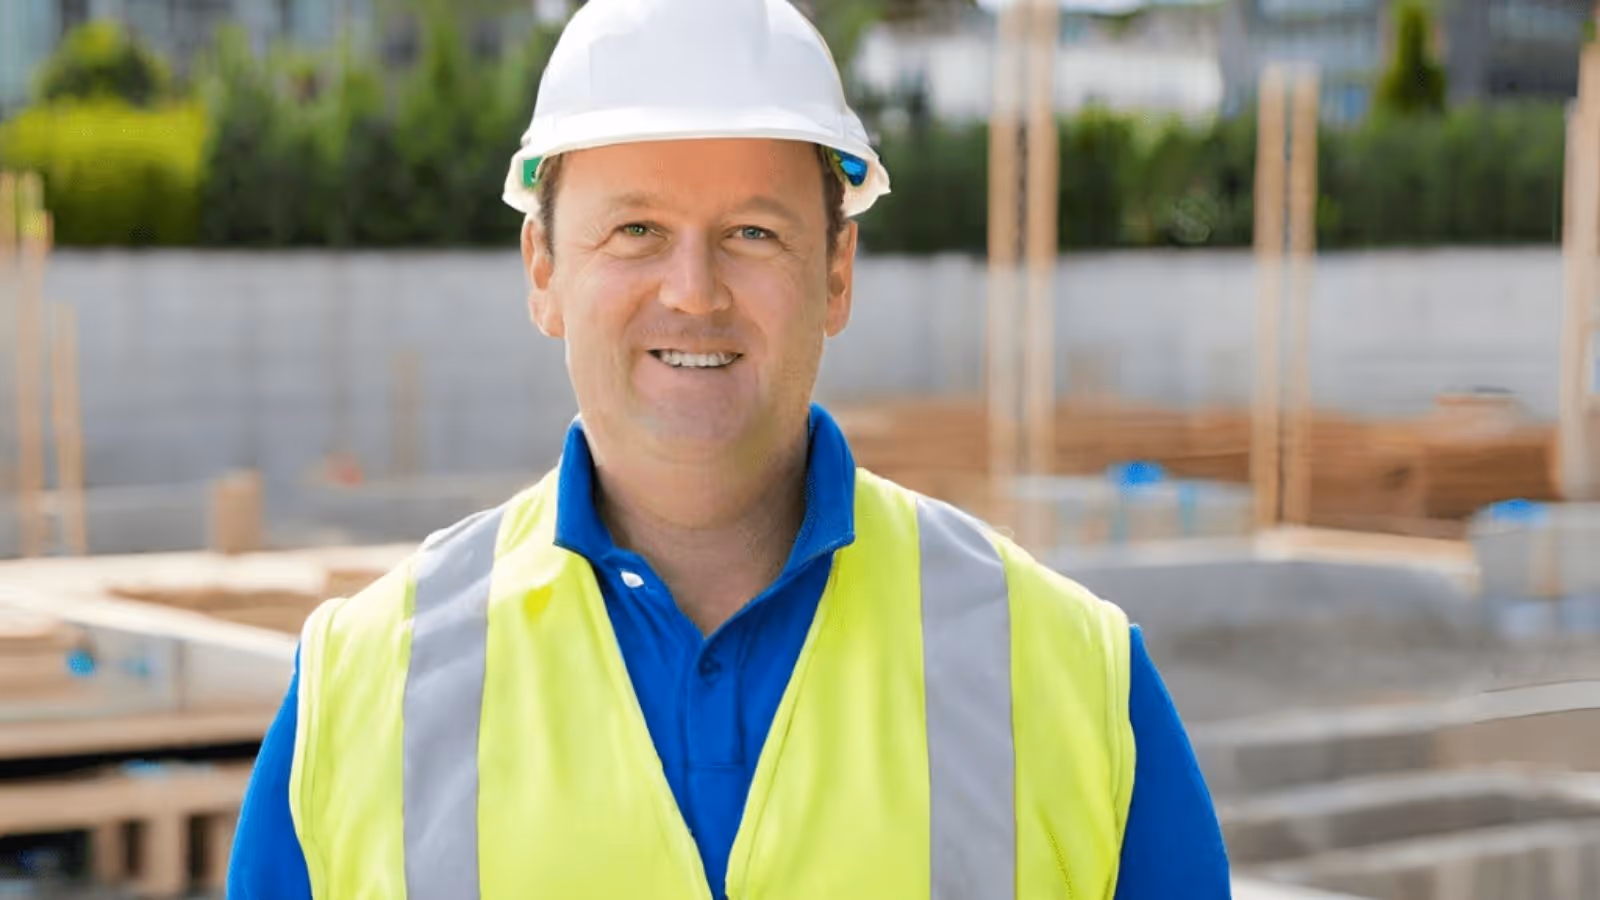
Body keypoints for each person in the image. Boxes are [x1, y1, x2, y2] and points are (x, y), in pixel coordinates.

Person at [228, 0, 1230, 896]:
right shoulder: (358, 701)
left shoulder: (1072, 684)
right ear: (542, 270)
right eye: (634, 231)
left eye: (752, 232)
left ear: (837, 271)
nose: (694, 292)